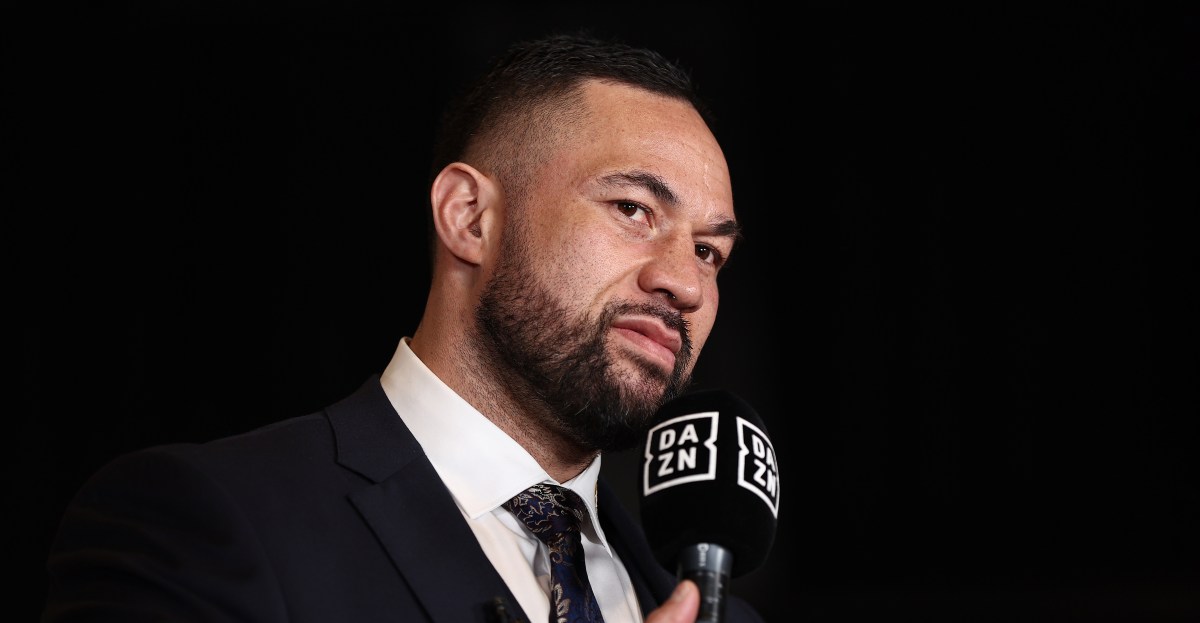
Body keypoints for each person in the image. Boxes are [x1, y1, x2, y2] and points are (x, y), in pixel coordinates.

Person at [42, 31, 764, 623]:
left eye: (710, 252)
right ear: (469, 217)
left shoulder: (716, 613)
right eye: (633, 209)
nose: (686, 282)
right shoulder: (209, 520)